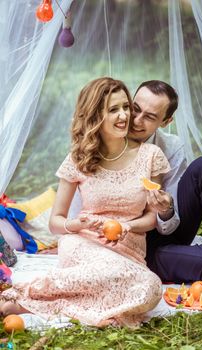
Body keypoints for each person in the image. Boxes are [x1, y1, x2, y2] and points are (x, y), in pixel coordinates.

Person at [0, 77, 171, 328]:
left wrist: (127, 227)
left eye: (126, 106)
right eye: (113, 110)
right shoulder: (78, 159)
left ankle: (27, 303)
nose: (125, 116)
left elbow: (150, 217)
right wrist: (76, 225)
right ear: (96, 116)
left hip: (129, 250)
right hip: (83, 243)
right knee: (126, 281)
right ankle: (26, 294)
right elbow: (56, 222)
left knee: (150, 287)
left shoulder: (150, 156)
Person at [129, 80, 202, 285]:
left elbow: (169, 225)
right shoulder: (111, 139)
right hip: (138, 247)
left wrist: (165, 210)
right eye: (135, 109)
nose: (137, 120)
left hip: (164, 231)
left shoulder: (171, 147)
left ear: (166, 121)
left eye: (149, 117)